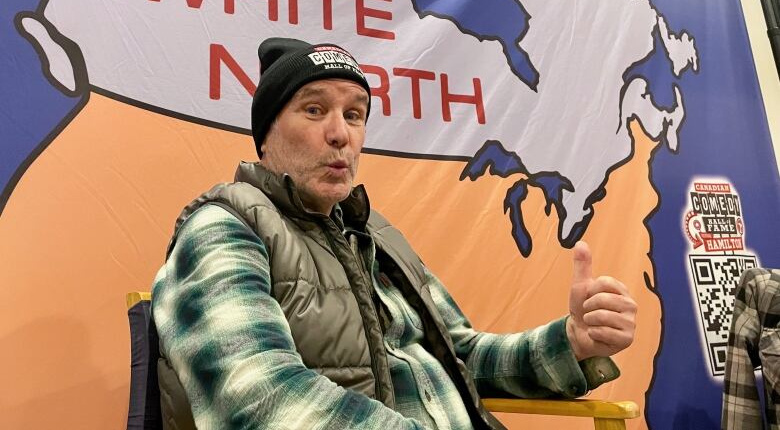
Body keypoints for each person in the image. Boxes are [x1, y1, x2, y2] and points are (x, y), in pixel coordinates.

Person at [151, 37, 637, 430]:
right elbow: (256, 396)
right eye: (315, 110)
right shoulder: (223, 225)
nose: (341, 134)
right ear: (267, 135)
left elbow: (460, 355)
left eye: (354, 114)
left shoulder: (376, 235)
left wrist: (572, 341)